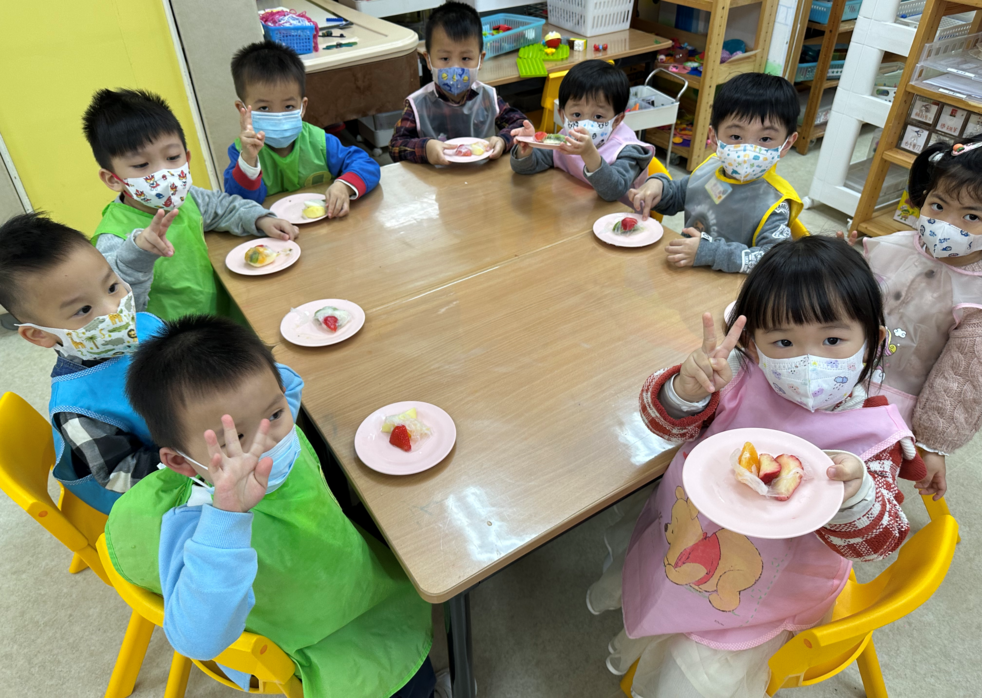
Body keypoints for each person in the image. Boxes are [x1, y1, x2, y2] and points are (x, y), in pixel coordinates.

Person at [585, 237, 926, 698]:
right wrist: (684, 391)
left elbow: (879, 542)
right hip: (684, 538)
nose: (810, 361)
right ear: (751, 342)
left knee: (693, 679)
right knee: (659, 587)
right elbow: (660, 424)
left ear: (873, 342)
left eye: (833, 340)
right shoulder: (738, 377)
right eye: (783, 342)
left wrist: (856, 495)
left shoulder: (872, 437)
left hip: (766, 593)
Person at [103, 316, 448, 698]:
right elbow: (196, 639)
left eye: (275, 414)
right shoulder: (195, 524)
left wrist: (266, 391)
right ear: (181, 462)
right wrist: (227, 517)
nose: (265, 444)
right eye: (236, 438)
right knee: (407, 685)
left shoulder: (271, 420)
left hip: (361, 584)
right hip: (328, 639)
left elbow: (285, 387)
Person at [0, 211, 175, 513]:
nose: (113, 310)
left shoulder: (145, 324)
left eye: (111, 287)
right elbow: (122, 476)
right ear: (40, 334)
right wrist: (195, 459)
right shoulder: (77, 409)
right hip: (147, 490)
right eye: (83, 310)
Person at [840, 136, 982, 502]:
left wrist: (933, 444)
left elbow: (962, 379)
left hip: (896, 406)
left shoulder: (976, 297)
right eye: (938, 205)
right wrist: (838, 264)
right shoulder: (890, 246)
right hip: (841, 372)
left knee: (859, 485)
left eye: (971, 216)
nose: (945, 224)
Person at [83, 88, 299, 320]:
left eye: (172, 157)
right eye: (141, 165)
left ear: (186, 158)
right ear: (113, 179)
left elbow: (224, 208)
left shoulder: (186, 198)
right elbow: (118, 311)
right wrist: (137, 257)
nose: (164, 173)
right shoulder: (112, 237)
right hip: (174, 336)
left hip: (221, 316)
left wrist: (260, 219)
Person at [629, 73, 804, 273]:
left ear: (786, 144)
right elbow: (679, 194)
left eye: (765, 139)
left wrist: (710, 253)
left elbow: (773, 261)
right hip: (685, 272)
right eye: (736, 136)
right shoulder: (710, 169)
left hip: (729, 288)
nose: (748, 150)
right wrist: (658, 186)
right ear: (714, 137)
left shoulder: (774, 204)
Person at [224, 40, 381, 217]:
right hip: (273, 231)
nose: (279, 117)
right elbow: (238, 204)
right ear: (242, 109)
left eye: (289, 106)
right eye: (264, 108)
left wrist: (344, 185)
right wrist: (248, 161)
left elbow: (368, 165)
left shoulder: (319, 141)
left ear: (302, 107)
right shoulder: (241, 152)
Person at [389, 1, 527, 165]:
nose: (455, 68)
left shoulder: (487, 97)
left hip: (482, 176)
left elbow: (521, 125)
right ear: (428, 60)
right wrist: (425, 148)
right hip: (437, 178)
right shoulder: (418, 104)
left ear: (480, 60)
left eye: (466, 58)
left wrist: (503, 141)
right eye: (445, 58)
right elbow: (396, 146)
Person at [509, 60, 654, 205]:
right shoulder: (566, 137)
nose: (585, 125)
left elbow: (614, 191)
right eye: (577, 115)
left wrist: (589, 153)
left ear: (617, 120)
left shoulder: (628, 149)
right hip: (576, 207)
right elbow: (526, 168)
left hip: (619, 215)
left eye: (598, 116)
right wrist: (526, 149)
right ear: (562, 115)